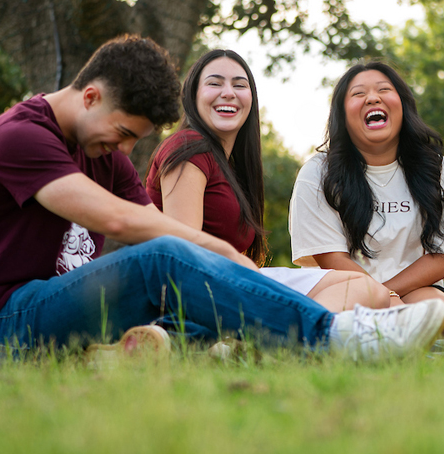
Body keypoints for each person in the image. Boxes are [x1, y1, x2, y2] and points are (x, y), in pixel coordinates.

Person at [0, 35, 444, 360]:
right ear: (90, 95)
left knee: (191, 287)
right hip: (0, 325)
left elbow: (156, 232)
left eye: (132, 139)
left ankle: (123, 358)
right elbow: (120, 221)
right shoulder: (21, 136)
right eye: (121, 133)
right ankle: (336, 337)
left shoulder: (104, 151)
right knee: (165, 256)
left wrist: (228, 267)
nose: (124, 150)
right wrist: (226, 254)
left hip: (67, 313)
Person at [289, 61, 444, 338]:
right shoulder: (317, 173)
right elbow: (330, 256)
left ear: (403, 105)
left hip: (417, 289)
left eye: (384, 90)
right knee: (380, 331)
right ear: (342, 114)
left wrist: (389, 293)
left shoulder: (438, 169)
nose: (373, 98)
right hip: (344, 290)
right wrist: (383, 299)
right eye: (358, 94)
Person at [145, 49, 389, 312]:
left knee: (368, 288)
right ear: (192, 96)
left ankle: (295, 333)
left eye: (239, 85)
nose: (228, 92)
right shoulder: (188, 147)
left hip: (234, 281)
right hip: (204, 289)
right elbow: (184, 253)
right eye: (214, 83)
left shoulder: (232, 167)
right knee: (368, 292)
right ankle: (295, 330)